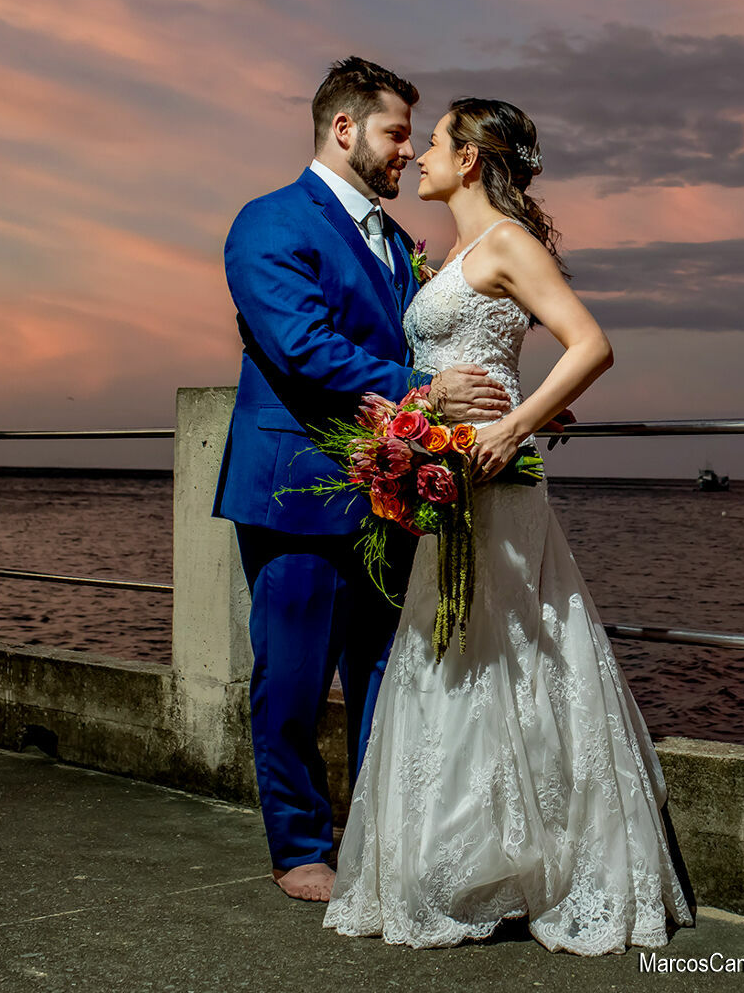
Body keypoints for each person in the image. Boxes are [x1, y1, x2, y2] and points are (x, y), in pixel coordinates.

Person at [323, 98, 695, 953]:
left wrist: (516, 423)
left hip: (495, 476)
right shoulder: (453, 254)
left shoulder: (506, 246)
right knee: (456, 649)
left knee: (513, 649)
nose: (418, 155)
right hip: (446, 480)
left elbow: (589, 344)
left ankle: (535, 864)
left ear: (472, 160)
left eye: (436, 143)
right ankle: (464, 860)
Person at [213, 58, 516, 903]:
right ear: (344, 129)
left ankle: (382, 836)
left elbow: (426, 342)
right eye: (393, 133)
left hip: (391, 498)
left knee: (390, 673)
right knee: (294, 682)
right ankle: (300, 848)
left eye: (413, 138)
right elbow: (302, 348)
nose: (405, 152)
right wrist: (426, 393)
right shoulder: (270, 222)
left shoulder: (392, 240)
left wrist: (511, 406)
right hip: (296, 493)